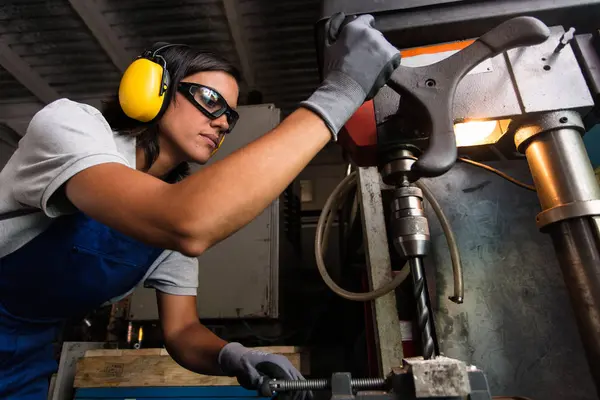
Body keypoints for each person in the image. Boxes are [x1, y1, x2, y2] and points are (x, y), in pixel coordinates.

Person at [0, 13, 400, 399]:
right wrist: (342, 91)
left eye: (230, 115)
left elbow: (182, 333)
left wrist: (232, 355)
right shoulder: (71, 126)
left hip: (24, 360)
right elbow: (185, 220)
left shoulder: (171, 214)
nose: (223, 122)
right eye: (210, 100)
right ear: (152, 87)